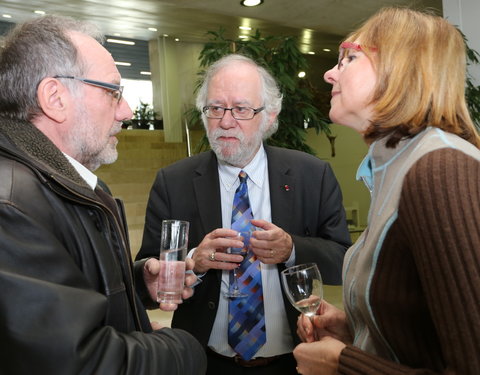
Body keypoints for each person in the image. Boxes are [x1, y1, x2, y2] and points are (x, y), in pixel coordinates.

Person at [0, 15, 207, 374]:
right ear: (55, 97)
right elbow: (80, 361)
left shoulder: (68, 181)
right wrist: (185, 348)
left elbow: (65, 289)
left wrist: (135, 283)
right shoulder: (11, 204)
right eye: (112, 92)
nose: (126, 112)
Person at [136, 53, 351, 374]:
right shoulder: (173, 181)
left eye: (241, 109)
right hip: (205, 361)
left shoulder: (312, 175)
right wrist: (194, 261)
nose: (225, 121)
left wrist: (292, 250)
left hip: (295, 361)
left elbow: (343, 261)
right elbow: (145, 281)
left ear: (269, 116)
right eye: (215, 108)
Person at [294, 7, 480, 375]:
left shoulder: (441, 170)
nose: (330, 72)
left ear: (401, 66)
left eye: (348, 57)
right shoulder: (397, 166)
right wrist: (358, 331)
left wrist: (343, 364)